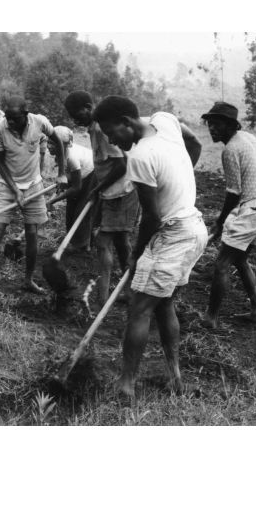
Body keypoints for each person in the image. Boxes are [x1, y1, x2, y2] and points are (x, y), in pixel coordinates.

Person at [92, 96, 208, 398]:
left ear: (126, 122)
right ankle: (175, 377)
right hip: (194, 228)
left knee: (139, 309)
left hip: (173, 234)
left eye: (113, 133)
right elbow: (194, 141)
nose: (113, 141)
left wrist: (135, 254)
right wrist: (181, 174)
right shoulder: (164, 121)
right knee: (164, 303)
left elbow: (152, 218)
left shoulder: (141, 158)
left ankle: (126, 385)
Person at [201, 102, 256, 328]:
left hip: (252, 211)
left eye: (218, 124)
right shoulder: (248, 137)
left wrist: (220, 222)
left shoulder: (230, 150)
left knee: (222, 264)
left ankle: (210, 318)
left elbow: (233, 193)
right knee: (240, 259)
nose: (212, 129)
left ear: (231, 125)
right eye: (210, 124)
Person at [0, 96, 68, 293]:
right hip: (6, 185)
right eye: (8, 118)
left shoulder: (40, 122)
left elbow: (58, 141)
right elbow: (0, 163)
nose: (10, 122)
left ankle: (28, 280)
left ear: (26, 114)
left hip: (33, 185)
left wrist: (62, 173)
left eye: (15, 118)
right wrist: (15, 190)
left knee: (32, 233)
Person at [64, 91, 139, 306]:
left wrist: (98, 188)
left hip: (122, 191)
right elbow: (105, 163)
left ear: (88, 106)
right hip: (112, 191)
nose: (74, 119)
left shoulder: (101, 129)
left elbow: (121, 164)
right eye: (71, 115)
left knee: (105, 241)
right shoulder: (94, 129)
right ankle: (128, 288)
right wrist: (100, 187)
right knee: (120, 242)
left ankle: (104, 296)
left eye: (77, 114)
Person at [46, 126, 96, 251]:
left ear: (65, 145)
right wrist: (61, 186)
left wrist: (52, 201)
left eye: (53, 143)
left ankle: (83, 245)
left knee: (82, 209)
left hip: (91, 174)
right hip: (78, 172)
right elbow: (65, 176)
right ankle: (73, 239)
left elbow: (76, 187)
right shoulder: (59, 154)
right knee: (71, 206)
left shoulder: (72, 157)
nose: (49, 146)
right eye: (48, 141)